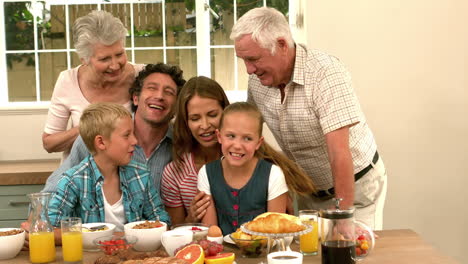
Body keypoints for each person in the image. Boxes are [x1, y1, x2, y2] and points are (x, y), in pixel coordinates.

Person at [230, 7, 388, 229]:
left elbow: (338, 152)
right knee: (309, 256)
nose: (248, 70)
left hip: (356, 185)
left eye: (253, 59)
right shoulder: (258, 81)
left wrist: (344, 214)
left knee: (351, 253)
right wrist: (278, 188)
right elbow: (247, 136)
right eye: (243, 60)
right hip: (305, 188)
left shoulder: (326, 73)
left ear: (282, 45)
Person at [41, 63, 185, 194]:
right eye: (152, 88)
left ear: (177, 105)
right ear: (135, 98)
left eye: (169, 92)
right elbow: (53, 191)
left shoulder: (184, 145)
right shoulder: (99, 136)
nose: (159, 96)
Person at [48, 102, 169, 243]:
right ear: (101, 142)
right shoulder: (73, 181)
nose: (135, 141)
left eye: (133, 134)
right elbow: (50, 230)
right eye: (126, 135)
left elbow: (162, 223)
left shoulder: (140, 175)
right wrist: (118, 237)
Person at [198, 102, 315, 235]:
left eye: (247, 138)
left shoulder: (273, 174)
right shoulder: (206, 173)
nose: (237, 145)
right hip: (222, 254)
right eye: (230, 136)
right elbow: (211, 233)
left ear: (258, 143)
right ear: (219, 136)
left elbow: (275, 233)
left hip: (263, 252)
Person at [42, 10, 144, 158]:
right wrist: (91, 127)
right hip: (80, 176)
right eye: (104, 59)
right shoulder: (68, 80)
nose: (115, 65)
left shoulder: (144, 77)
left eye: (119, 54)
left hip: (134, 174)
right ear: (84, 59)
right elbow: (49, 143)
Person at [161, 76, 229, 225]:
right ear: (186, 123)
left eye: (212, 115)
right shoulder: (175, 172)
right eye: (195, 118)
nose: (204, 125)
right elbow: (175, 231)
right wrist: (192, 218)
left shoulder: (244, 158)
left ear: (225, 111)